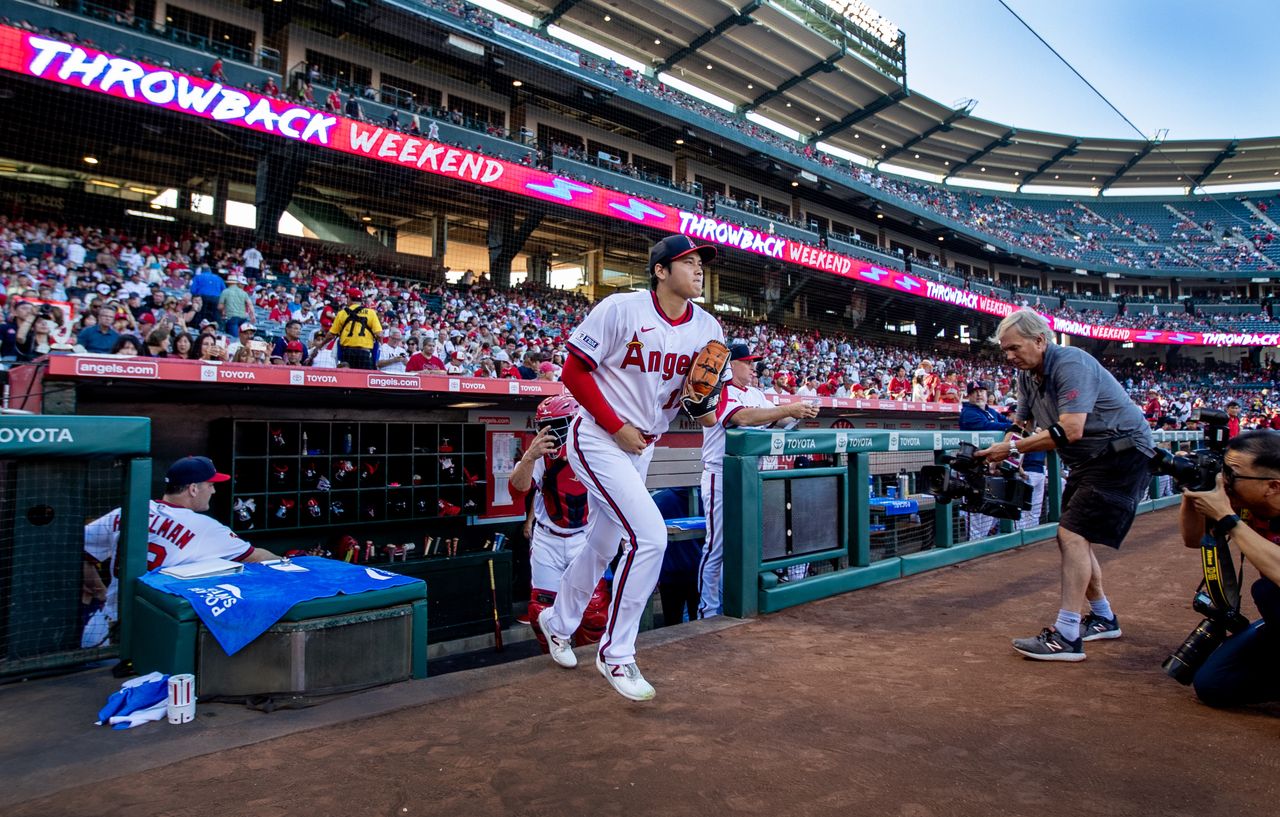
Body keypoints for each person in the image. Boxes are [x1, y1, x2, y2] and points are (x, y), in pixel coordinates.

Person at [537, 234, 726, 702]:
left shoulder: (709, 329)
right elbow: (573, 372)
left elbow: (702, 409)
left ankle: (557, 622)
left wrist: (705, 403)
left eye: (702, 262)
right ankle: (616, 654)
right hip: (598, 437)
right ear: (661, 271)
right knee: (651, 536)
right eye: (688, 262)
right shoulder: (622, 309)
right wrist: (615, 424)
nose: (699, 268)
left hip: (642, 446)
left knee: (602, 544)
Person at [978, 308, 1154, 662]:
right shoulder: (1028, 375)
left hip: (1121, 454)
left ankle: (1067, 635)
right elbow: (1021, 424)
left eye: (1014, 348)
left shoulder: (1070, 362)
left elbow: (1070, 430)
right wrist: (1007, 455)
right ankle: (1103, 617)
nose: (1008, 357)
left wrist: (1009, 448)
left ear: (1040, 340)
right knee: (1075, 536)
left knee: (1072, 535)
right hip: (1089, 462)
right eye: (1004, 350)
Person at [81, 456, 278, 648]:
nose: (214, 491)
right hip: (156, 633)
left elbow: (76, 553)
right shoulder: (205, 527)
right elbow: (257, 557)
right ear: (193, 489)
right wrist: (291, 560)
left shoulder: (126, 511)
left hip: (105, 629)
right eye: (210, 485)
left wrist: (101, 593)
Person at [697, 343, 817, 618]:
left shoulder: (755, 393)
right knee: (717, 546)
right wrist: (787, 409)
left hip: (752, 476)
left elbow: (774, 420)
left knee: (749, 542)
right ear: (731, 365)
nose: (754, 368)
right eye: (748, 362)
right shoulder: (721, 390)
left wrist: (798, 413)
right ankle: (708, 610)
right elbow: (741, 417)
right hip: (721, 476)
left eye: (754, 363)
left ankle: (738, 604)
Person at [1179, 430, 1280, 707]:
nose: (1225, 481)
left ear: (1272, 486)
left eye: (1232, 476)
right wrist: (1193, 490)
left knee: (1269, 591)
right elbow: (1192, 539)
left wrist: (1227, 519)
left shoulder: (1233, 513)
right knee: (1214, 683)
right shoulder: (1246, 503)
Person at [515, 395, 609, 654]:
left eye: (557, 424)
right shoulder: (539, 454)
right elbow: (520, 487)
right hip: (548, 538)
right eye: (544, 426)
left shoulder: (595, 448)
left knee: (594, 613)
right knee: (542, 612)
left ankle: (591, 663)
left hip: (584, 537)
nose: (550, 432)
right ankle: (553, 671)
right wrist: (529, 457)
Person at [959, 381, 1011, 540]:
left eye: (981, 390)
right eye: (974, 391)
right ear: (968, 396)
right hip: (971, 471)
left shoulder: (990, 411)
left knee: (989, 513)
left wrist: (1012, 425)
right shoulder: (968, 412)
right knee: (975, 517)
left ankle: (982, 548)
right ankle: (972, 552)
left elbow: (1008, 422)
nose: (979, 394)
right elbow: (987, 426)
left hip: (988, 471)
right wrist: (1010, 426)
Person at [328, 288, 382, 370]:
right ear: (361, 300)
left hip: (347, 352)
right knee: (364, 380)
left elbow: (331, 334)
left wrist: (320, 346)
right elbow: (379, 334)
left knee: (347, 380)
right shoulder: (371, 313)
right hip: (364, 353)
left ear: (349, 298)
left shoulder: (342, 313)